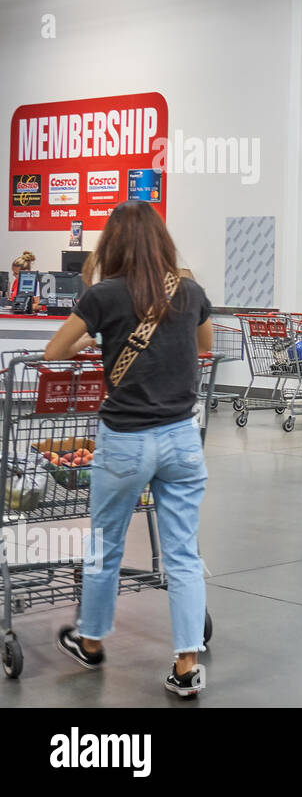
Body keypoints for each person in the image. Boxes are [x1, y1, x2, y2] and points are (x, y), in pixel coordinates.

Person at [44, 201, 214, 697]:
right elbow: (203, 344)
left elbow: (55, 351)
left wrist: (102, 345)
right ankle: (186, 665)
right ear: (161, 242)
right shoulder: (190, 291)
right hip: (182, 439)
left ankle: (92, 643)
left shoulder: (103, 296)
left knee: (105, 547)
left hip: (125, 442)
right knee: (182, 553)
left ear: (112, 245)